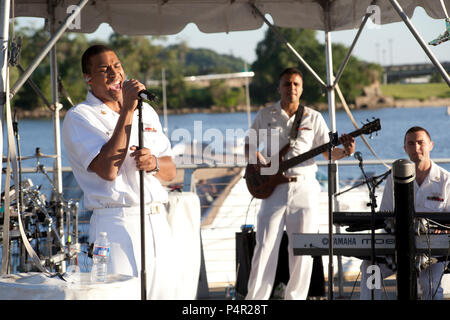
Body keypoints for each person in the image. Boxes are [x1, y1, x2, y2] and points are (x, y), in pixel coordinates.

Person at [62, 45, 177, 299]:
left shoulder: (146, 112)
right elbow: (108, 170)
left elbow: (172, 172)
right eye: (104, 69)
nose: (114, 73)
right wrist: (127, 109)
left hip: (158, 220)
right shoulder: (80, 116)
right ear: (88, 79)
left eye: (117, 66)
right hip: (116, 223)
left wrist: (154, 163)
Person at [244, 67, 355, 300]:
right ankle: (254, 300)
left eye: (296, 84)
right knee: (264, 247)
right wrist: (262, 166)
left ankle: (295, 298)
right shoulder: (266, 115)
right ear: (279, 87)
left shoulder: (313, 117)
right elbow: (249, 146)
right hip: (272, 189)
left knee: (303, 250)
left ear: (301, 89)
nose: (291, 88)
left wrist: (345, 151)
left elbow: (327, 153)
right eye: (287, 84)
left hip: (304, 188)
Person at [360, 126, 450, 300]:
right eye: (411, 143)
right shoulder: (393, 177)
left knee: (430, 288)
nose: (416, 148)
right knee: (370, 267)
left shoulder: (446, 180)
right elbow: (385, 215)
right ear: (405, 149)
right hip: (397, 247)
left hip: (433, 252)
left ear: (430, 145)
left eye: (420, 142)